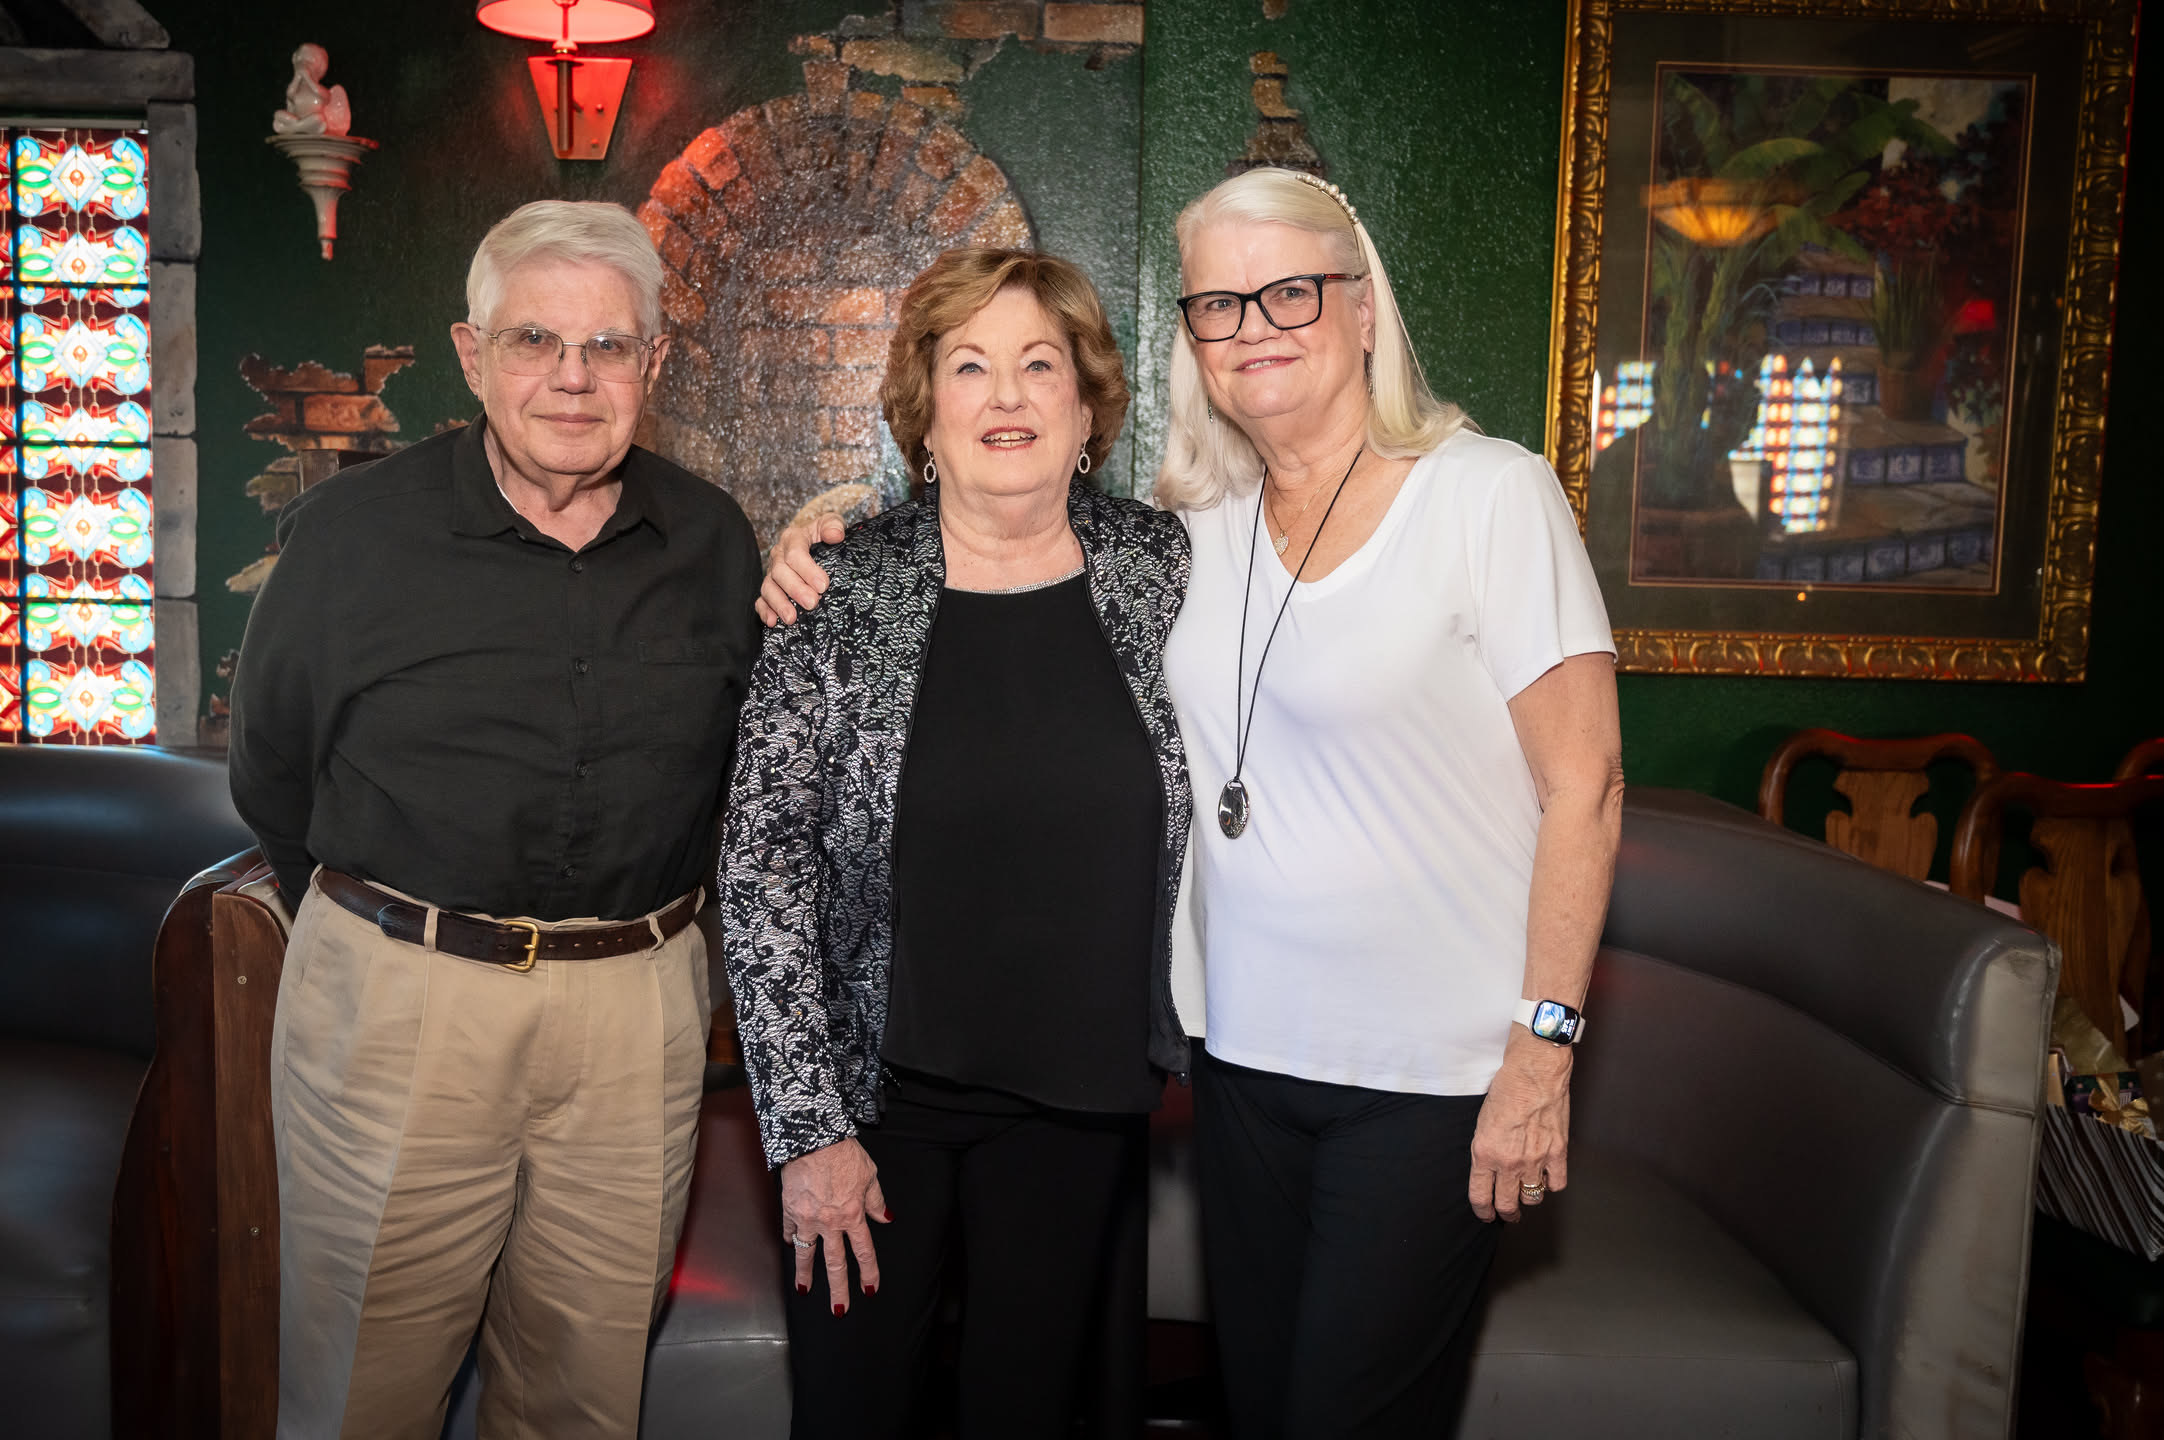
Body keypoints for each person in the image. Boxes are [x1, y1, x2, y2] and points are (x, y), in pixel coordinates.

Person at [760, 167, 1623, 1437]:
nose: (1253, 326)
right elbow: (770, 857)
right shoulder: (1196, 532)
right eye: (1219, 304)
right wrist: (825, 529)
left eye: (1290, 292)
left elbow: (1586, 783)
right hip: (1237, 1063)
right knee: (1260, 1404)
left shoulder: (1469, 497)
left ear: (1363, 307)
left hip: (1412, 1070)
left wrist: (1543, 1047)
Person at [229, 199, 762, 1439]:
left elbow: (740, 789)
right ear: (473, 357)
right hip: (401, 1007)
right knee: (361, 1400)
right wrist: (393, 944)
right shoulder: (353, 535)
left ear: (653, 364)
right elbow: (272, 769)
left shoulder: (712, 542)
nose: (573, 379)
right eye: (535, 341)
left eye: (608, 346)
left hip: (635, 1017)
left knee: (584, 1401)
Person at [720, 246, 1192, 1439]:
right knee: (856, 1412)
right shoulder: (836, 588)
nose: (1007, 395)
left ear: (1086, 407)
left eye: (1040, 364)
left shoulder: (1167, 571)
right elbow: (762, 867)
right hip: (877, 1104)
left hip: (1081, 1104)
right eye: (970, 366)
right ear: (924, 411)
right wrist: (810, 1131)